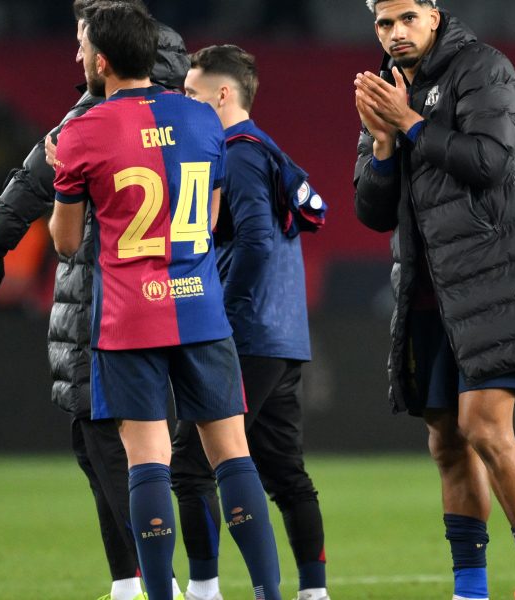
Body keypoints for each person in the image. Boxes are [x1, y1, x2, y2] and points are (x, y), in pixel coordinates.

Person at [48, 4, 282, 600]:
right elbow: (206, 218)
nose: (78, 56)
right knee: (233, 455)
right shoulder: (204, 118)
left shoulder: (82, 131)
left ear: (102, 61)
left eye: (82, 47)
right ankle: (269, 594)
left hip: (129, 318)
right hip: (200, 306)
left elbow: (68, 241)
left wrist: (64, 177)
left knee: (147, 462)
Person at [352, 1, 515, 599]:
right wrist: (380, 145)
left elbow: (490, 160)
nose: (395, 33)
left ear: (434, 13)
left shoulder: (484, 68)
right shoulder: (388, 91)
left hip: (493, 283)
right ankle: (470, 590)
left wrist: (410, 124)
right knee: (447, 443)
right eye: (383, 23)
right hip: (428, 294)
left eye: (406, 18)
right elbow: (372, 213)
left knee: (484, 426)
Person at [0, 1, 191, 598]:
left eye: (83, 43)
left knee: (111, 442)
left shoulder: (98, 115)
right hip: (172, 294)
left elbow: (39, 175)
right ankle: (131, 581)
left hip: (110, 297)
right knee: (101, 445)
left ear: (108, 50)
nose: (76, 55)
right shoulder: (184, 110)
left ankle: (157, 579)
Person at [175, 45, 329, 600]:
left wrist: (228, 314)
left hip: (249, 334)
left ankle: (203, 589)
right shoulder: (266, 149)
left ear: (223, 94)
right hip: (285, 334)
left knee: (189, 464)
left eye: (192, 94)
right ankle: (314, 592)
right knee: (285, 473)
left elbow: (258, 242)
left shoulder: (236, 152)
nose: (186, 104)